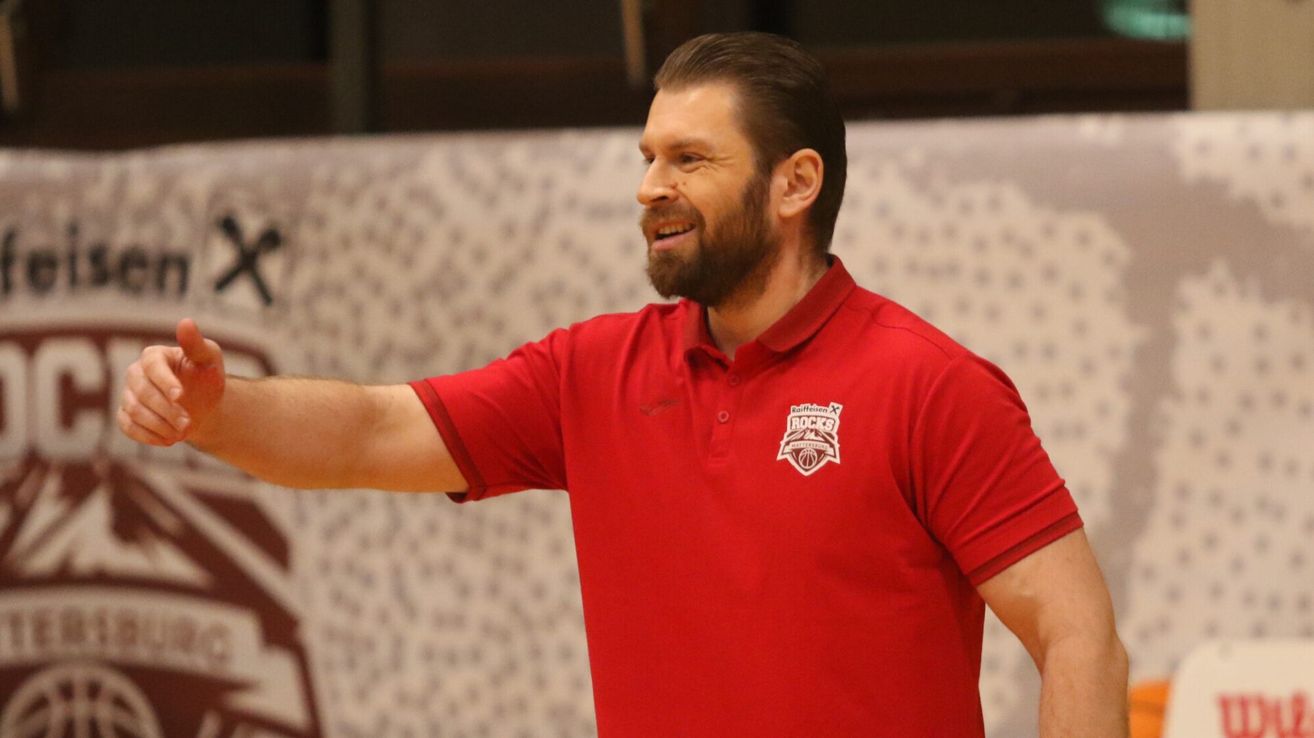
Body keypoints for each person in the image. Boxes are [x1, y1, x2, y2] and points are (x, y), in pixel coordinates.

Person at [118, 32, 1128, 737]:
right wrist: (221, 410)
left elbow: (1074, 631)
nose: (650, 187)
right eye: (647, 158)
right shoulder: (592, 373)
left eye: (690, 158)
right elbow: (372, 432)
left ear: (796, 183)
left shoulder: (931, 386)